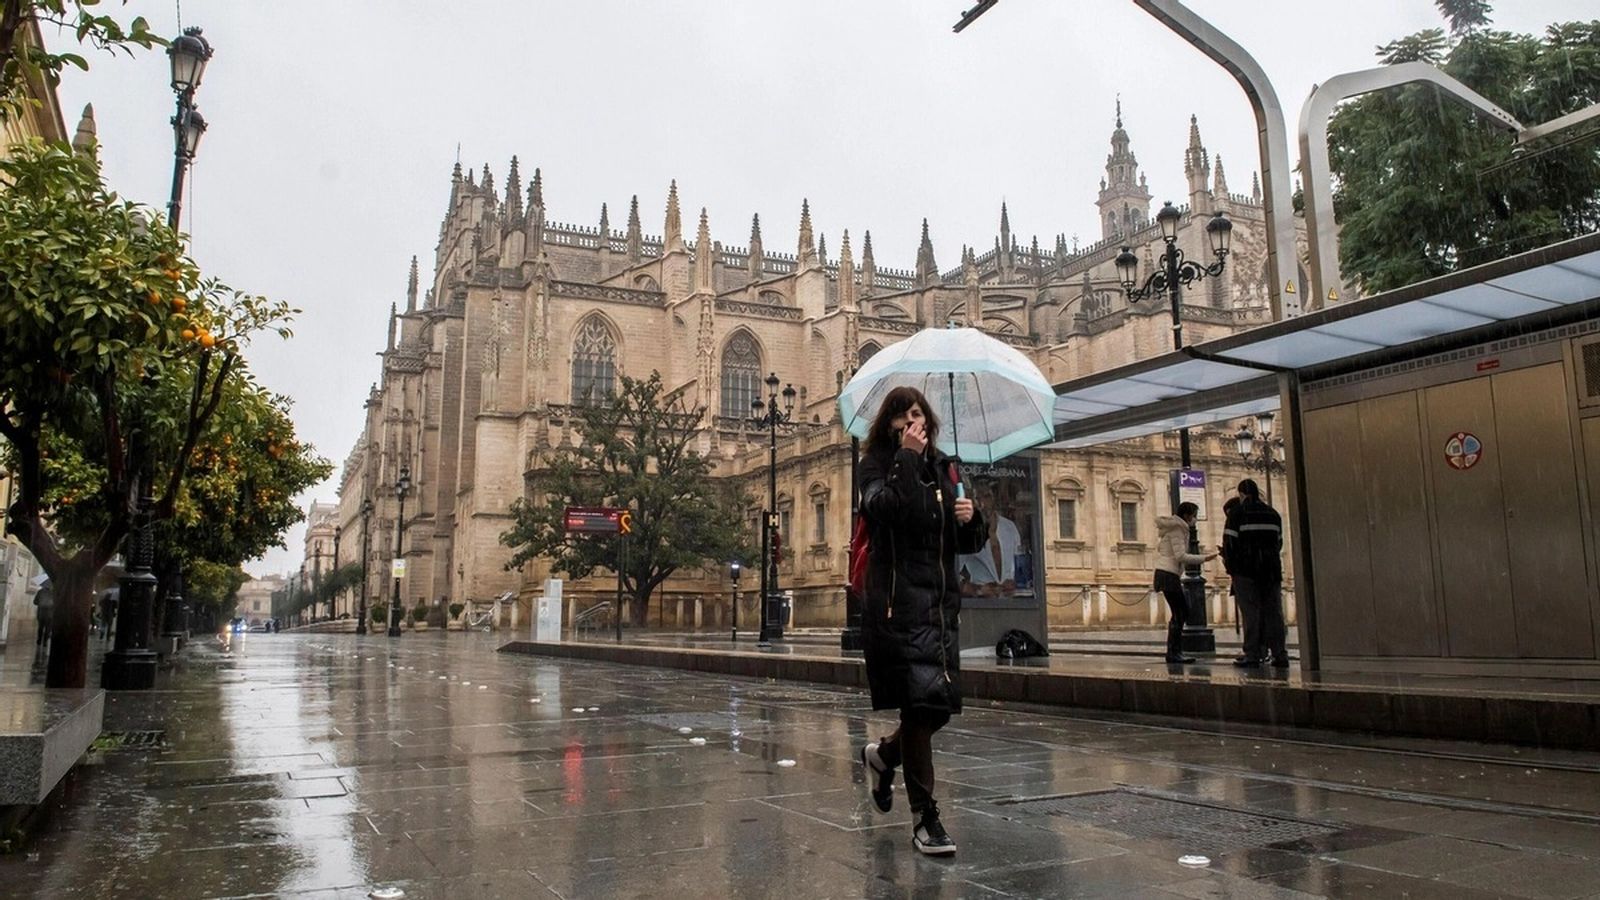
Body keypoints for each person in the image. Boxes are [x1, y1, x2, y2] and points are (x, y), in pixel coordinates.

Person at [855, 385, 987, 857]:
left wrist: (972, 518)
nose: (915, 422)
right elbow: (885, 507)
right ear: (889, 424)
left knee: (936, 709)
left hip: (939, 604)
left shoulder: (945, 467)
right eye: (904, 416)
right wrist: (907, 458)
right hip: (896, 604)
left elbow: (966, 543)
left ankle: (884, 754)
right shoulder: (874, 465)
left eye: (920, 414)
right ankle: (925, 819)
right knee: (918, 706)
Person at [1223, 478, 1288, 668]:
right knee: (1274, 612)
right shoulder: (1273, 514)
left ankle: (1253, 654)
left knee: (1251, 613)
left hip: (1246, 571)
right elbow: (1279, 542)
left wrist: (1232, 567)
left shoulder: (1237, 513)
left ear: (1242, 494)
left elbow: (1230, 544)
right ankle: (1279, 654)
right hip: (1271, 571)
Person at [1154, 502, 1218, 664]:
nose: (1195, 519)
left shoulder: (1176, 528)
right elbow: (1180, 556)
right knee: (1181, 611)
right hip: (1168, 574)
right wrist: (1205, 558)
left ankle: (1174, 651)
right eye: (1194, 515)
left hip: (1167, 573)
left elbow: (1163, 549)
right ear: (1187, 515)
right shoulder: (1177, 529)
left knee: (1180, 612)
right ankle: (1174, 652)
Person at [958, 485, 1021, 597]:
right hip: (980, 603)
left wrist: (1015, 583)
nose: (983, 503)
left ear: (994, 499)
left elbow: (1020, 563)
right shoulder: (968, 531)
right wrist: (978, 589)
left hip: (1009, 602)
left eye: (986, 496)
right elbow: (953, 572)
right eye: (978, 498)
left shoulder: (1009, 528)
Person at [33, 580, 53, 648]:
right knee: (48, 628)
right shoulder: (53, 593)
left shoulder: (40, 592)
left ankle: (39, 640)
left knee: (40, 627)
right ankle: (45, 642)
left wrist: (40, 603)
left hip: (41, 613)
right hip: (50, 614)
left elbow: (35, 602)